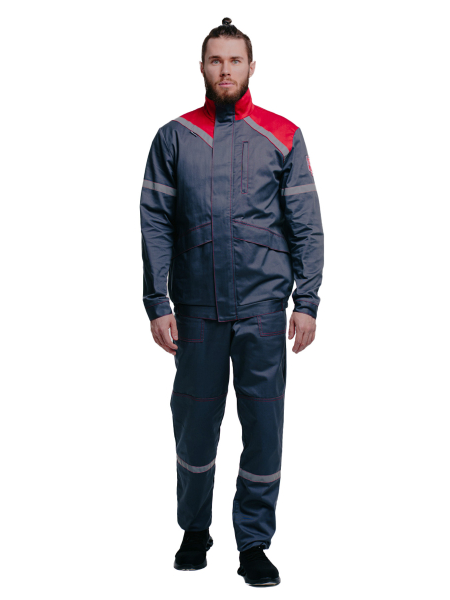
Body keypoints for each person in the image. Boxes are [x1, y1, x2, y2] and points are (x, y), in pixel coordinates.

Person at [139, 17, 324, 587]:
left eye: (234, 60)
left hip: (264, 308)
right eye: (216, 60)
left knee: (264, 427)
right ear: (202, 67)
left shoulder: (283, 135)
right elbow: (155, 224)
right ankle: (195, 531)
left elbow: (306, 224)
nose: (225, 70)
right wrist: (156, 302)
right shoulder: (174, 137)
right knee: (194, 425)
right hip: (195, 310)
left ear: (251, 67)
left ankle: (254, 543)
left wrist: (307, 300)